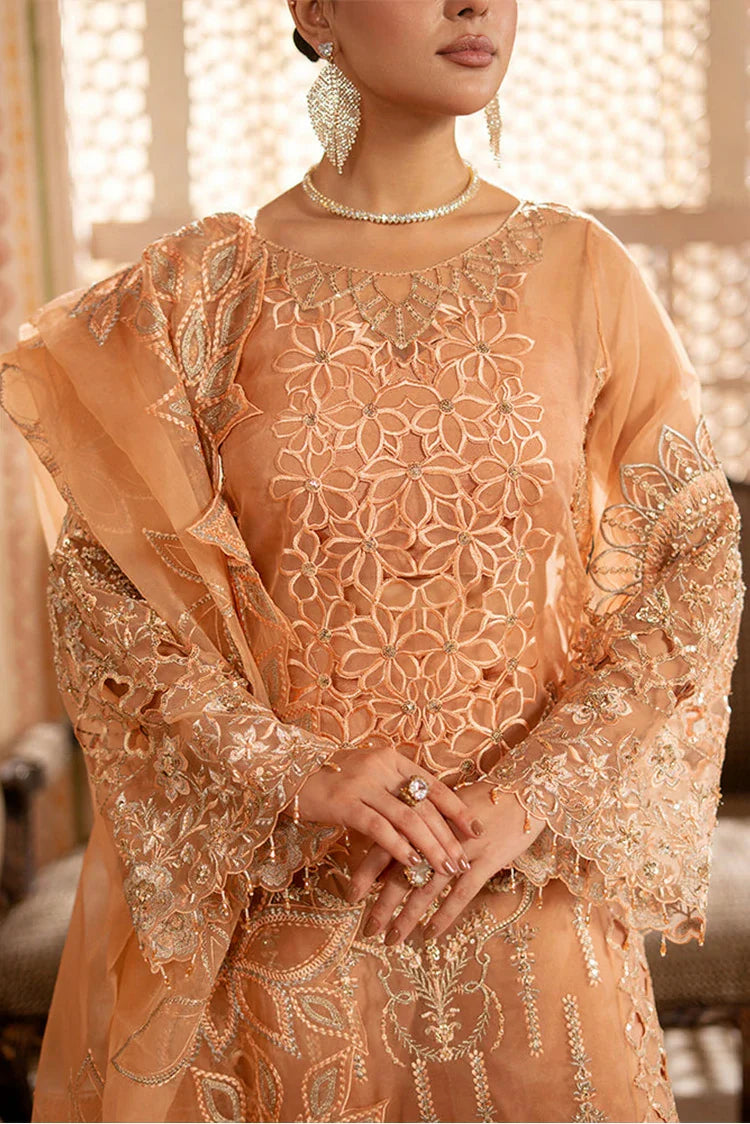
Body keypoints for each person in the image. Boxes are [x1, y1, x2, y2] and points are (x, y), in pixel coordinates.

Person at [0, 0, 743, 1120]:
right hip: (291, 925)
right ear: (315, 10)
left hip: (529, 907)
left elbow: (694, 564)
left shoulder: (581, 268)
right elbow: (105, 591)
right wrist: (291, 768)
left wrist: (531, 795)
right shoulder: (203, 292)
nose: (475, 4)